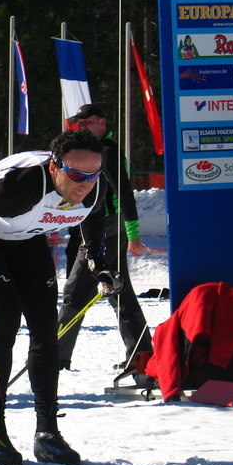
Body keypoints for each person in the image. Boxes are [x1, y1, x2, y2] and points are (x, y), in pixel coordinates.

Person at [0, 129, 121, 465]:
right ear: (54, 167)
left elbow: (93, 221)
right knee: (5, 318)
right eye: (76, 175)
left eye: (92, 175)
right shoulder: (20, 186)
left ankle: (47, 433)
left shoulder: (94, 185)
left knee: (46, 327)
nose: (85, 184)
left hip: (26, 237)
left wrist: (98, 264)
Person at [57, 104, 153, 378]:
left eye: (88, 122)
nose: (82, 127)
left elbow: (124, 192)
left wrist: (133, 234)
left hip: (106, 227)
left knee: (76, 292)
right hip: (103, 225)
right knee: (119, 290)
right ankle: (142, 355)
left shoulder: (105, 151)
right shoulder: (95, 150)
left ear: (102, 122)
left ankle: (53, 356)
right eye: (79, 123)